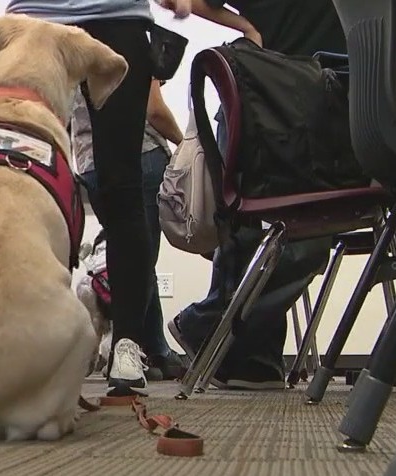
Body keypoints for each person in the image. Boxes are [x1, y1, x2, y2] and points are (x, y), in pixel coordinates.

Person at [6, 0, 192, 396]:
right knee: (22, 181)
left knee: (121, 185)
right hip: (37, 18)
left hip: (117, 18)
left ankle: (127, 345)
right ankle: (21, 344)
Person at [161, 0, 345, 389]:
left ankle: (242, 351)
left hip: (324, 103)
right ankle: (218, 333)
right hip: (269, 96)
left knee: (296, 233)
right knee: (288, 232)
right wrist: (247, 26)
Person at [74, 79, 187, 381]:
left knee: (134, 257)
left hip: (90, 162)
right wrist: (185, 144)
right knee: (139, 257)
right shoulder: (131, 39)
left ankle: (156, 351)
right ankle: (133, 350)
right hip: (140, 155)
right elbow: (154, 110)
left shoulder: (72, 42)